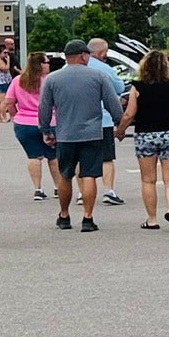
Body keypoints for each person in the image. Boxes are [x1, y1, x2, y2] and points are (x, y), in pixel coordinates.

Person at [41, 39, 126, 231]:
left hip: (65, 134)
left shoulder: (52, 79)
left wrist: (46, 130)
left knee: (65, 174)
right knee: (89, 175)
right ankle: (88, 218)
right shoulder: (98, 75)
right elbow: (113, 104)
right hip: (92, 134)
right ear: (83, 55)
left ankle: (64, 215)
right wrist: (119, 123)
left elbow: (44, 108)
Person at [115, 49, 169, 231]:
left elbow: (129, 114)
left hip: (145, 135)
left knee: (148, 180)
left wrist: (120, 131)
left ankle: (152, 219)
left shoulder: (138, 87)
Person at [0, 51, 53, 201]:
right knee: (53, 157)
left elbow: (9, 101)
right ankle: (58, 187)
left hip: (24, 123)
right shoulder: (49, 81)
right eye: (47, 62)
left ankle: (38, 189)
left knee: (33, 156)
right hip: (49, 122)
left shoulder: (18, 80)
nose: (49, 65)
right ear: (41, 65)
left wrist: (16, 116)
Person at [86, 38, 127, 205]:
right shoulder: (106, 70)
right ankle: (108, 191)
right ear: (101, 53)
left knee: (82, 158)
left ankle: (83, 193)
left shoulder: (68, 68)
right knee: (106, 158)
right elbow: (120, 88)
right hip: (103, 119)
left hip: (77, 122)